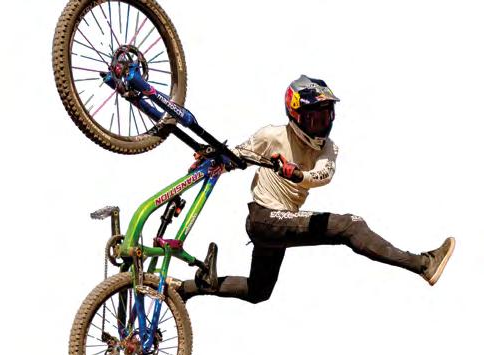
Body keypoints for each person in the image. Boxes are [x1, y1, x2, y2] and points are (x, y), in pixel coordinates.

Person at [169, 74, 455, 303]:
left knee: (259, 291)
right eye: (314, 119)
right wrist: (210, 159)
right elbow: (236, 157)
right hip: (263, 218)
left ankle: (183, 289)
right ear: (295, 115)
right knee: (350, 226)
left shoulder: (329, 148)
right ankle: (423, 264)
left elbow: (323, 175)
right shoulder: (272, 136)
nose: (321, 126)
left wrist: (297, 175)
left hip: (279, 224)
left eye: (326, 117)